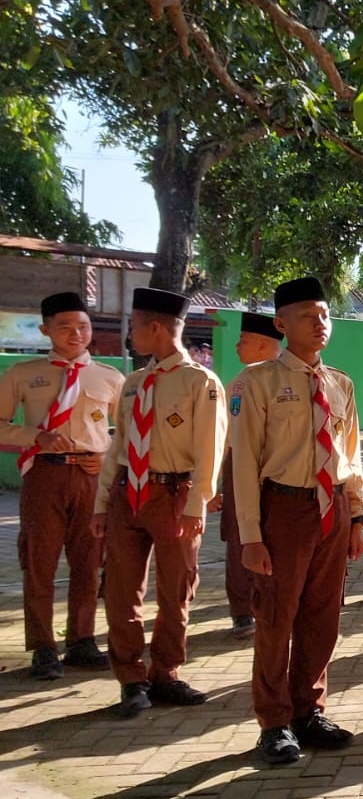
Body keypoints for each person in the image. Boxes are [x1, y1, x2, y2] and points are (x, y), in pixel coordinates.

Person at [229, 277, 363, 764]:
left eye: (325, 314)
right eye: (309, 315)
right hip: (282, 509)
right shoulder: (256, 382)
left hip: (330, 510)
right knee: (275, 616)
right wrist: (250, 536)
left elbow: (350, 457)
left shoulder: (341, 384)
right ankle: (274, 721)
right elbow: (244, 462)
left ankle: (309, 709)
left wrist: (355, 517)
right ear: (281, 324)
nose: (320, 323)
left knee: (322, 614)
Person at [93, 288, 226, 718]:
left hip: (174, 496)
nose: (130, 334)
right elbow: (118, 448)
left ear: (154, 328)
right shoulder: (133, 384)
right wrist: (101, 504)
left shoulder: (199, 382)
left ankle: (165, 672)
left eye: (133, 326)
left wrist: (197, 505)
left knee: (175, 591)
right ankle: (130, 679)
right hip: (126, 496)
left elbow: (211, 448)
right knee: (121, 591)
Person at [1, 292, 123, 680]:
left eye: (83, 326)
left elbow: (126, 432)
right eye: (65, 326)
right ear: (45, 329)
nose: (76, 333)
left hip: (91, 477)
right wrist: (34, 436)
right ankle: (42, 647)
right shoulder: (22, 374)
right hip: (44, 475)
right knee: (40, 562)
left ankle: (82, 640)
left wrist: (105, 456)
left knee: (89, 562)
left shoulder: (109, 376)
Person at [217, 312, 283, 638]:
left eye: (242, 341)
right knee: (240, 536)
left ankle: (268, 604)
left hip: (278, 473)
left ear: (262, 344)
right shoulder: (240, 383)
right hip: (242, 467)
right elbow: (225, 438)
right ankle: (242, 610)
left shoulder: (291, 377)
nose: (237, 346)